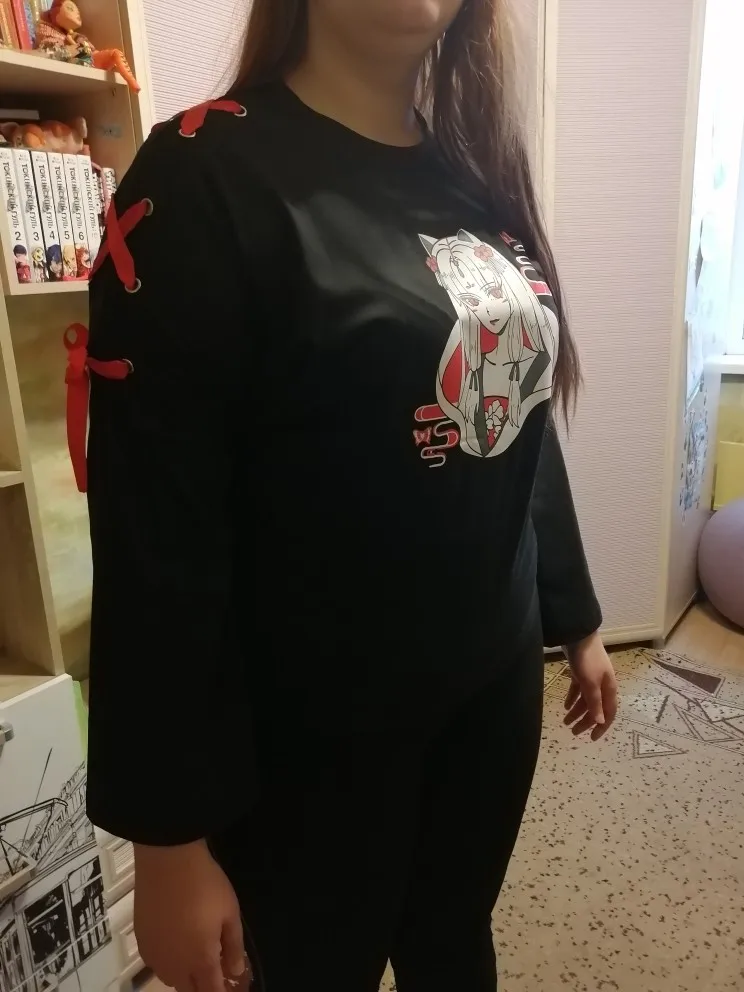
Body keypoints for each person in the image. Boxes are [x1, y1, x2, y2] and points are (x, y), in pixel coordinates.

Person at [79, 1, 619, 990]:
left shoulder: (474, 179)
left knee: (454, 941)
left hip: (488, 693)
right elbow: (156, 529)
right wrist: (167, 839)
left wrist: (574, 616)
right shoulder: (203, 178)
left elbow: (514, 416)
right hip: (311, 729)